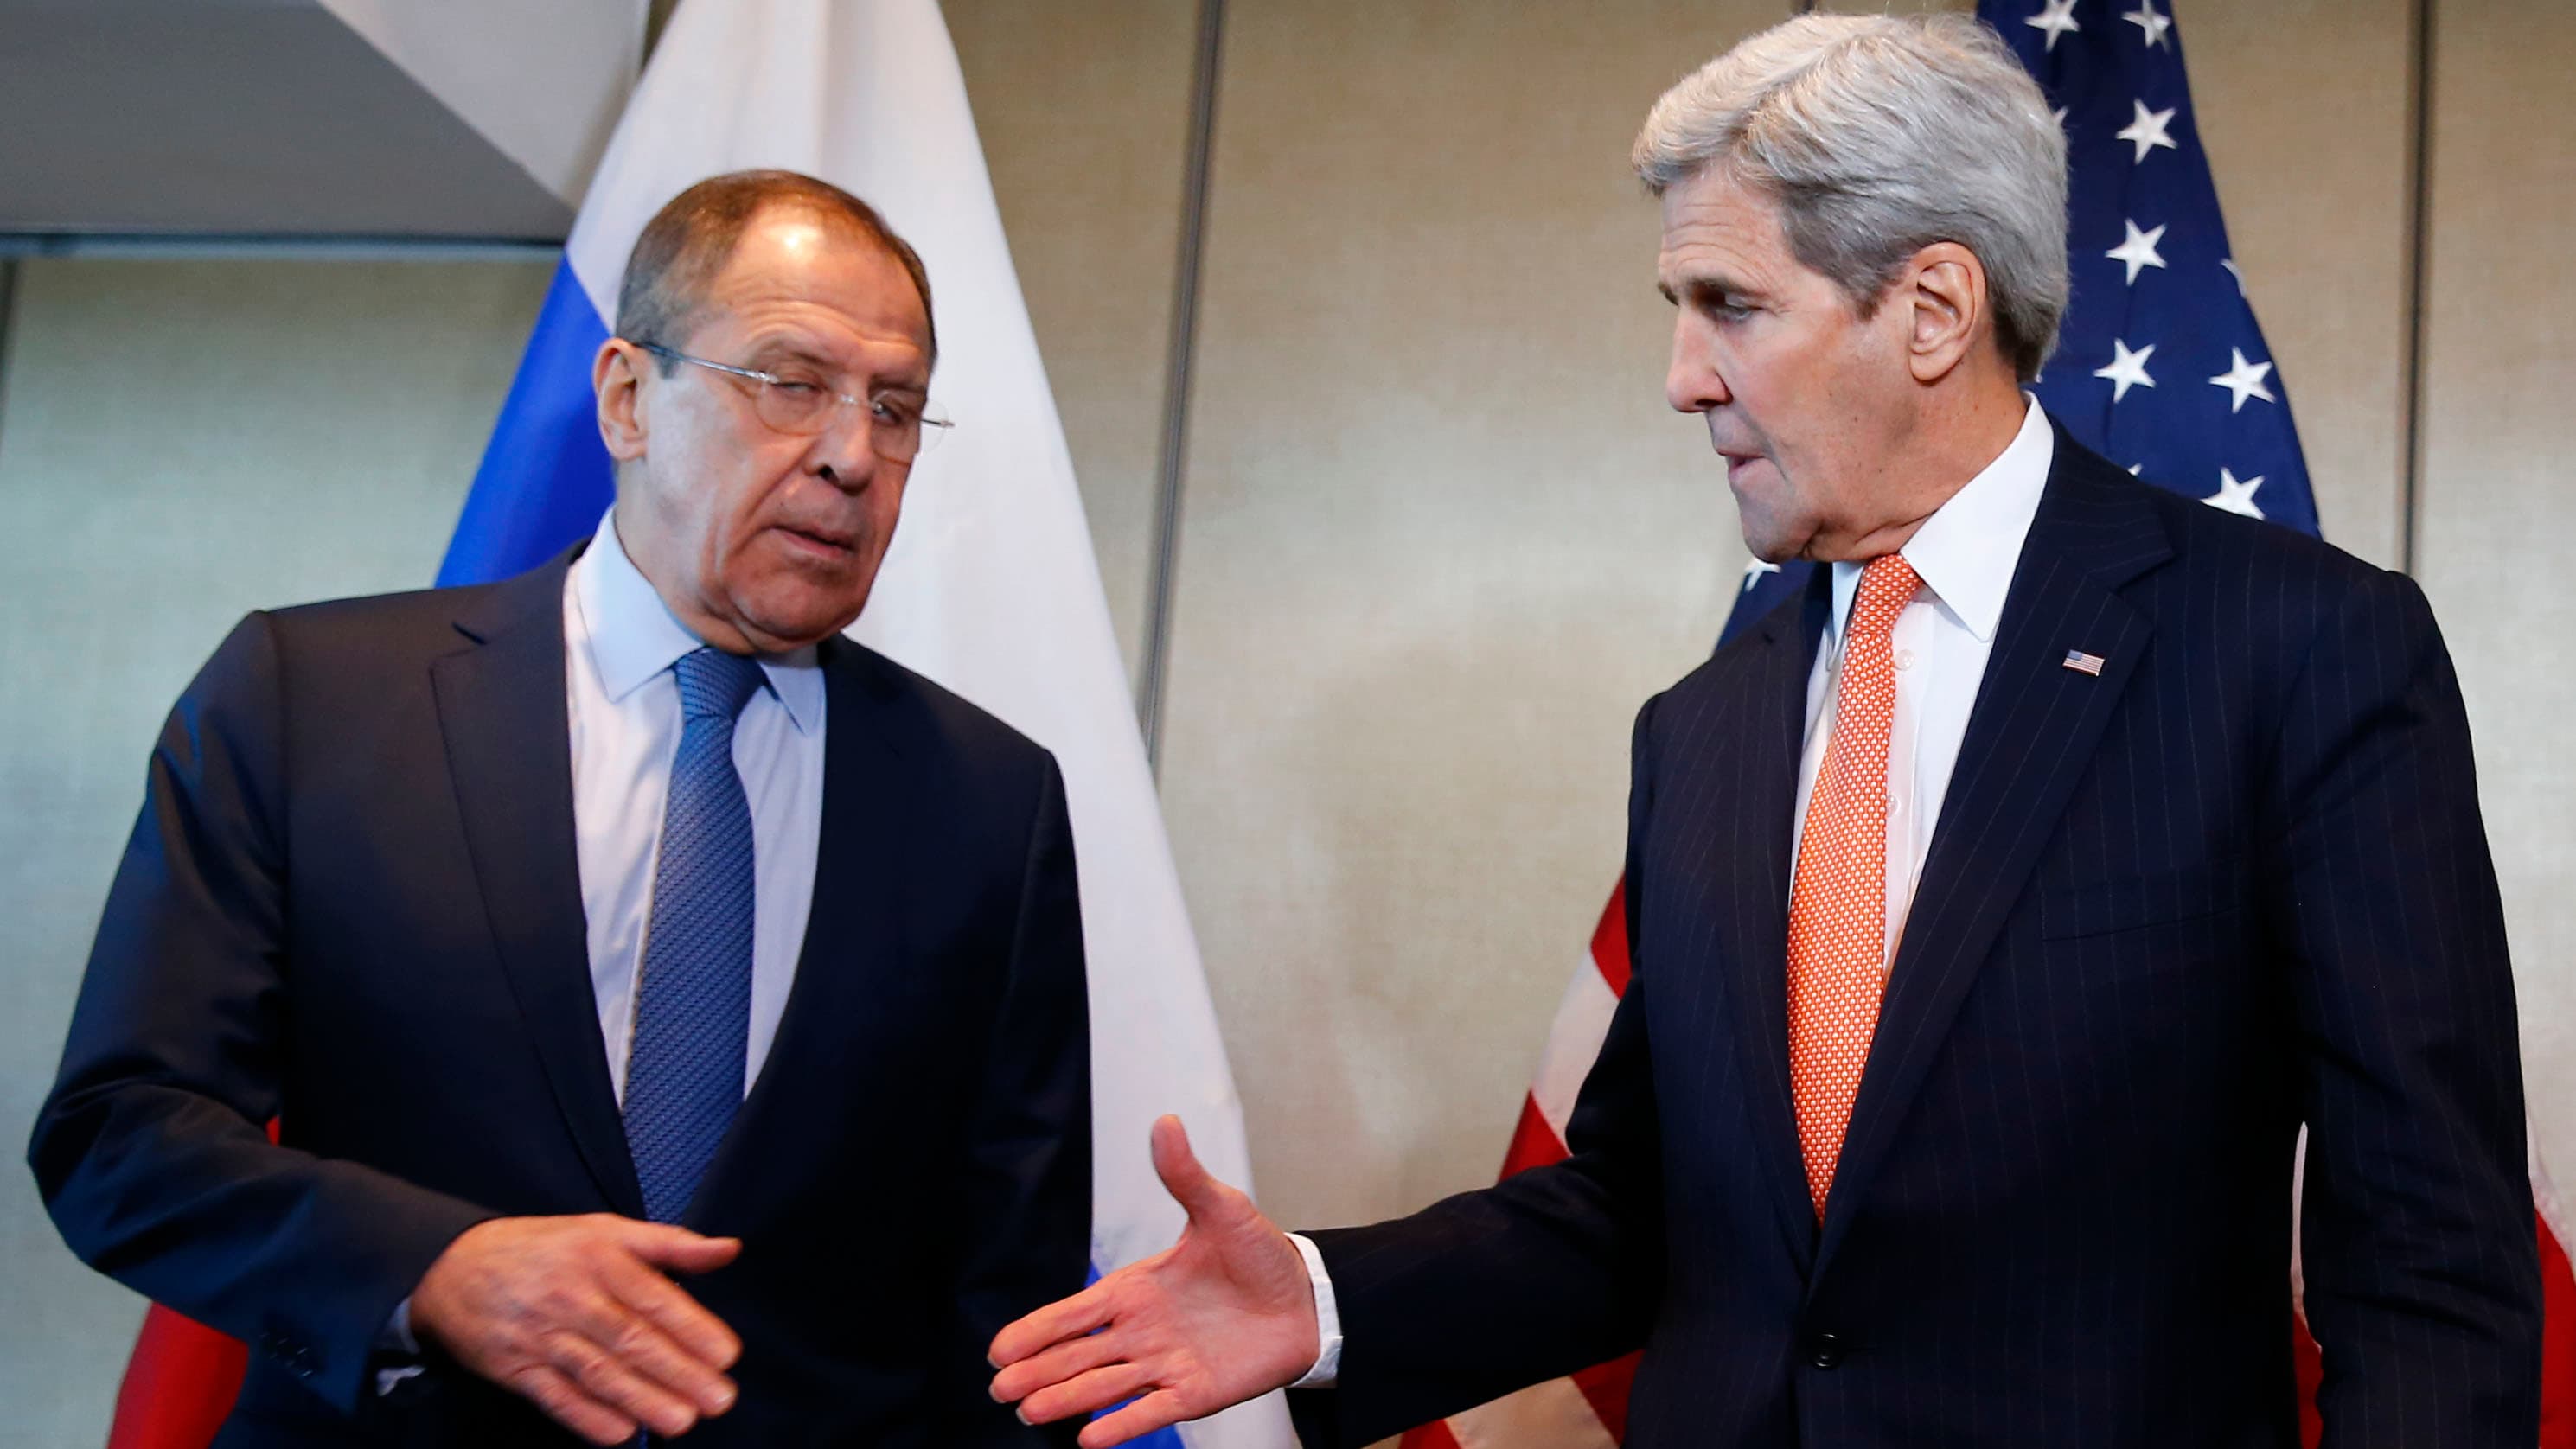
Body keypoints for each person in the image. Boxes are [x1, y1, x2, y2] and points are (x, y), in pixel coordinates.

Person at [987, 16, 2541, 1448]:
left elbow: (2428, 1261)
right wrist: (1325, 1303)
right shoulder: (1707, 728)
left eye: (1731, 305)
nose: (1681, 380)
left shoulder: (2293, 648)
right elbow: (1642, 1215)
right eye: (1679, 309)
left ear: (1932, 308)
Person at [29, 169, 1090, 1448]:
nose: (851, 455)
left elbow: (1009, 1294)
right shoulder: (313, 700)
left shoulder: (991, 799)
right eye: (789, 382)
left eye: (897, 407)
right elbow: (121, 1136)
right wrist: (430, 1268)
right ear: (630, 398)